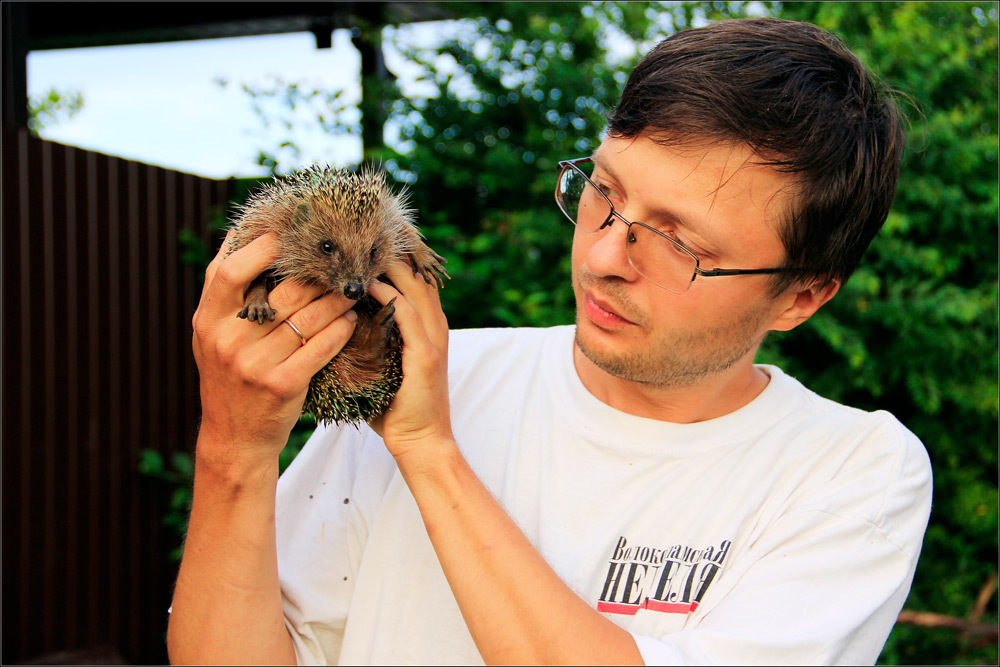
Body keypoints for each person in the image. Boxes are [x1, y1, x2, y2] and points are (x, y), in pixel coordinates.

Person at [167, 17, 932, 666]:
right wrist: (235, 447)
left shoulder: (851, 474)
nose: (601, 257)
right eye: (603, 191)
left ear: (802, 294)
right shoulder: (430, 373)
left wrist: (430, 450)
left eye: (677, 242)